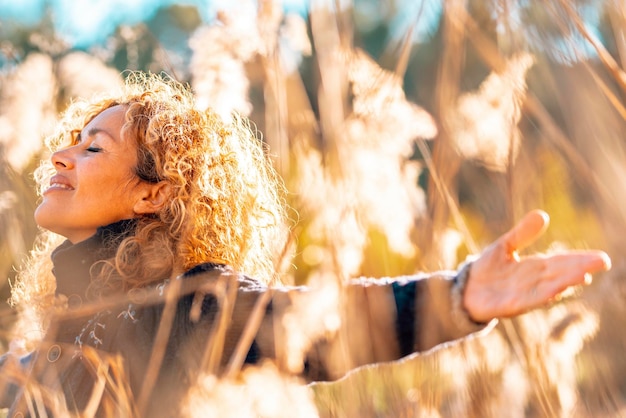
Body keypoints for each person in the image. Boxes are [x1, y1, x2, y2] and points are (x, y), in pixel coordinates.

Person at [0, 73, 610, 417]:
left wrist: (458, 296)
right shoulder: (46, 330)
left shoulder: (187, 306)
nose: (61, 153)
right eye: (72, 140)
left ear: (153, 196)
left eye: (93, 147)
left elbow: (316, 325)